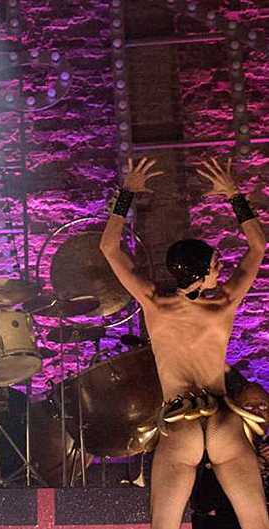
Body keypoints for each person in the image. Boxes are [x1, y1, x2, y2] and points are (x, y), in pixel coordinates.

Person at [99, 157, 267, 529]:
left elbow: (109, 248)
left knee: (165, 524)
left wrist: (126, 192)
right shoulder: (224, 304)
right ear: (201, 273)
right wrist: (235, 195)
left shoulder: (154, 304)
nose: (220, 268)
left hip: (182, 419)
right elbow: (258, 246)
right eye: (215, 264)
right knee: (257, 523)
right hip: (224, 418)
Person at [191, 382, 269, 529]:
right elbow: (201, 503)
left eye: (263, 406)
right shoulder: (212, 445)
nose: (256, 412)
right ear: (236, 410)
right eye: (248, 407)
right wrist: (239, 469)